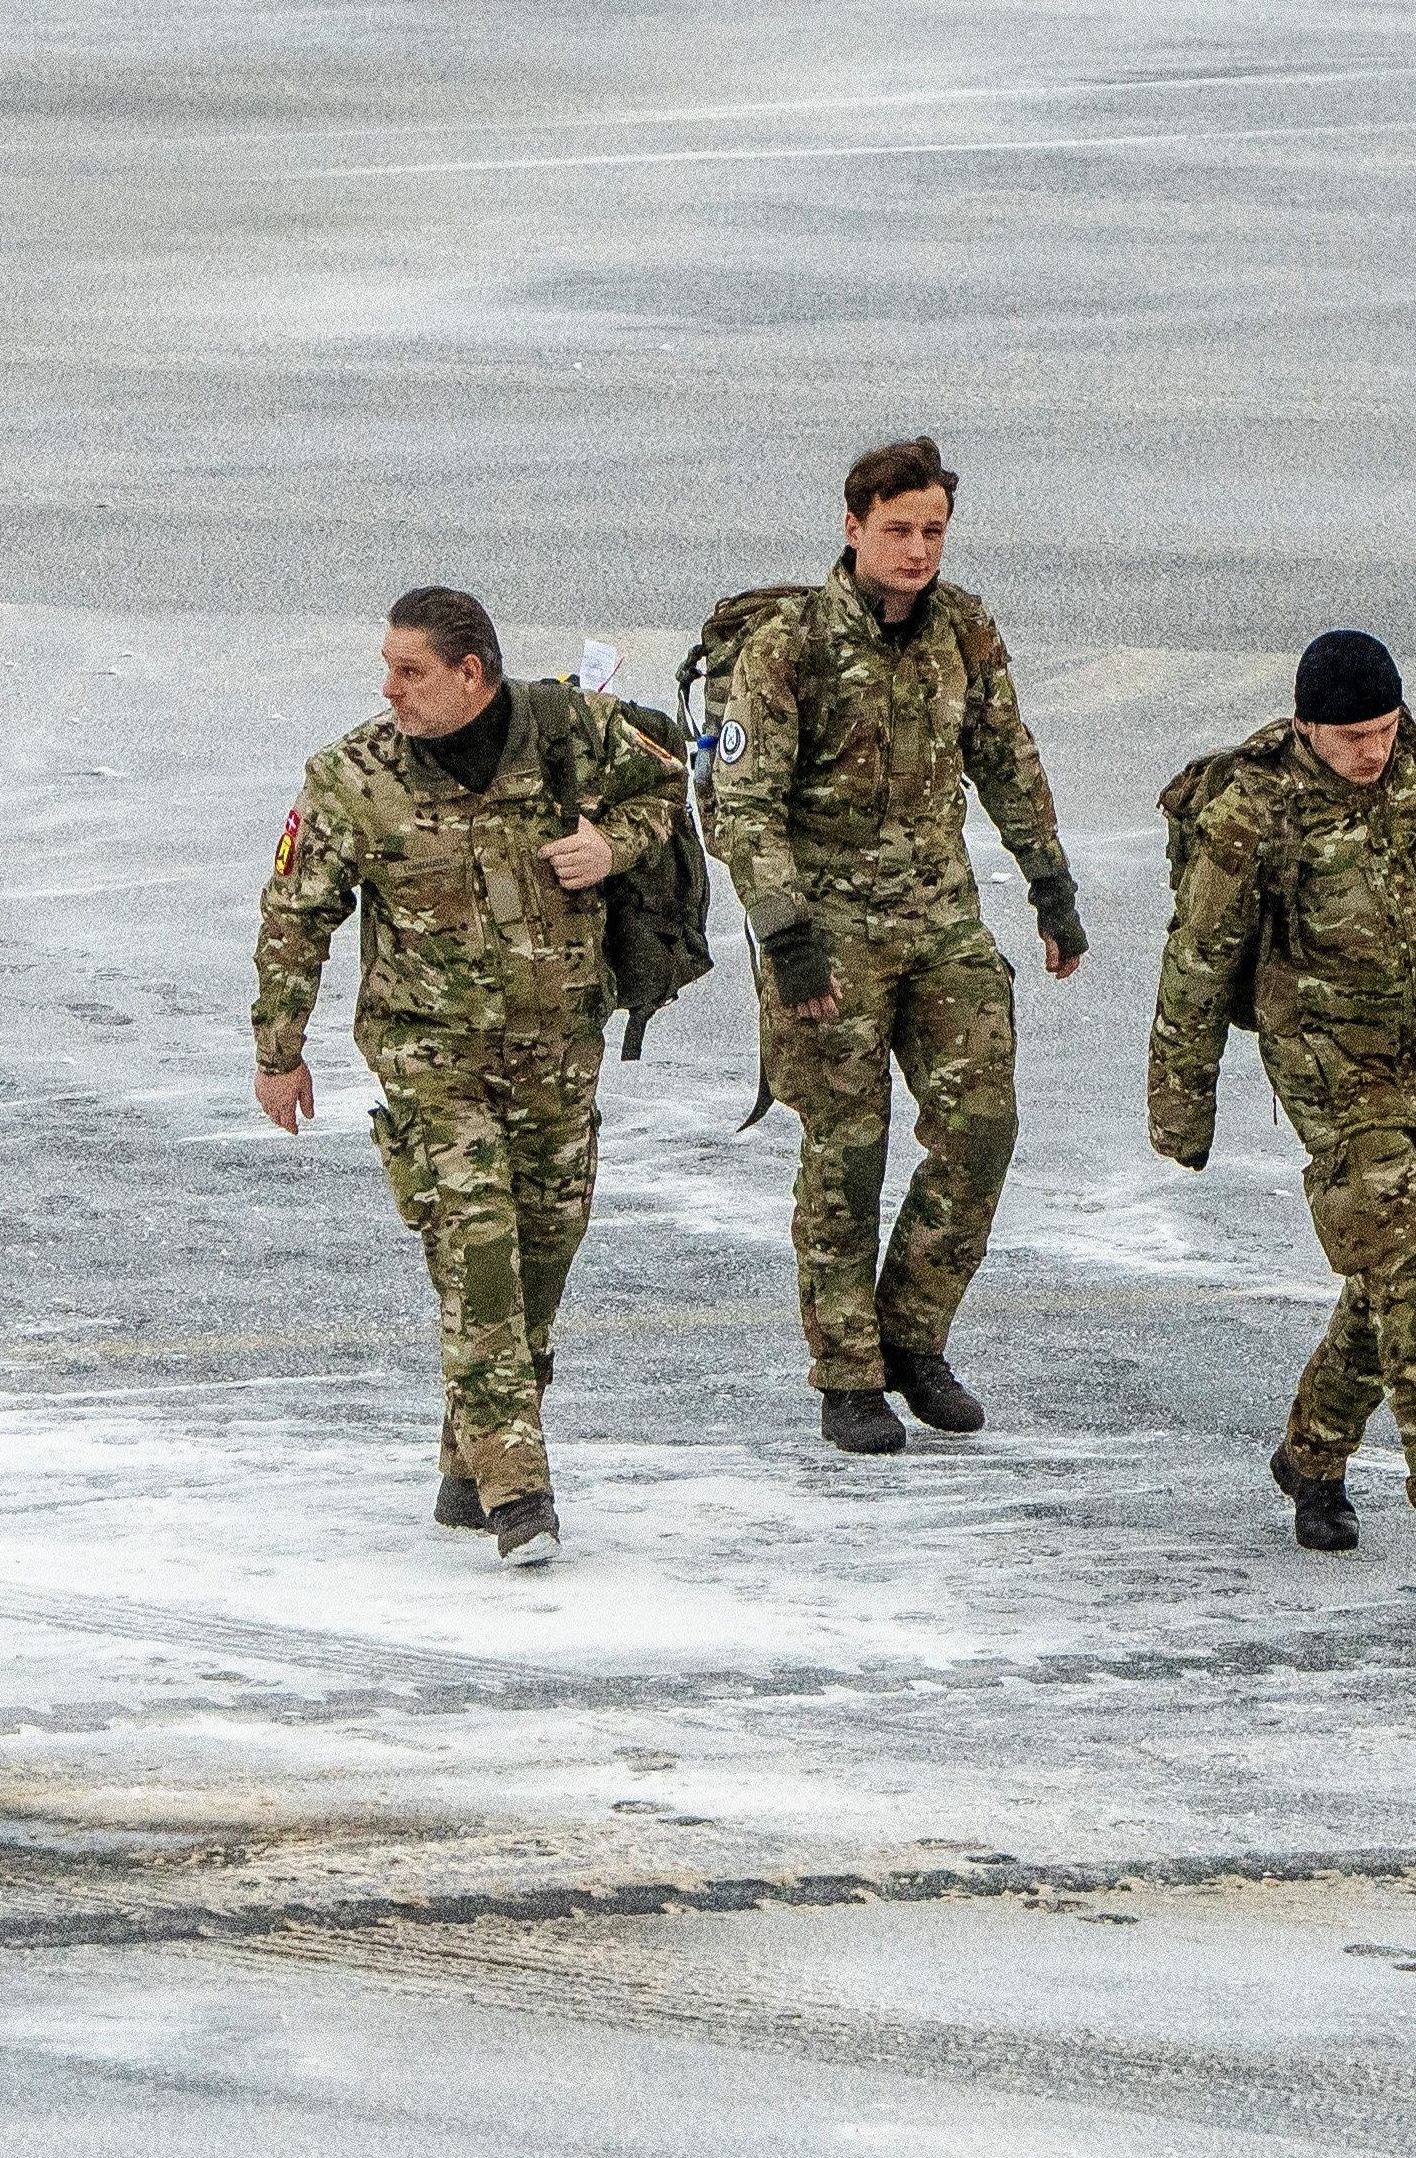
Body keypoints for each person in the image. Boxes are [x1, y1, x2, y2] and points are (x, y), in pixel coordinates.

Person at [258, 589, 683, 1567]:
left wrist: (612, 845)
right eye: (386, 667)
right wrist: (277, 1053)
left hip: (557, 1049)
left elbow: (668, 790)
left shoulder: (575, 734)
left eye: (410, 672)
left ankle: (465, 1460)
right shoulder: (351, 777)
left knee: (542, 1254)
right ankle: (516, 1489)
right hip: (428, 1056)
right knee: (480, 1247)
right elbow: (294, 916)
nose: (389, 689)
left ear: (470, 674)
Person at [1147, 627, 1416, 1600]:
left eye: (1382, 729)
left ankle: (1310, 1454)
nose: (1372, 752)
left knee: (1388, 1289)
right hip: (1332, 1080)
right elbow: (1197, 961)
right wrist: (1180, 1103)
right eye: (1351, 736)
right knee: (1411, 1296)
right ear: (1303, 727)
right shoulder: (1254, 810)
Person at [709, 436, 1079, 1456]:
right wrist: (785, 939)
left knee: (980, 1129)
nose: (918, 551)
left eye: (933, 532)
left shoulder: (961, 628)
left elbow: (1006, 754)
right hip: (823, 930)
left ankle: (912, 1334)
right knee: (846, 1150)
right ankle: (847, 1374)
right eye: (898, 531)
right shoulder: (787, 644)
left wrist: (1050, 886)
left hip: (939, 919)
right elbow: (744, 809)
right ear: (852, 527)